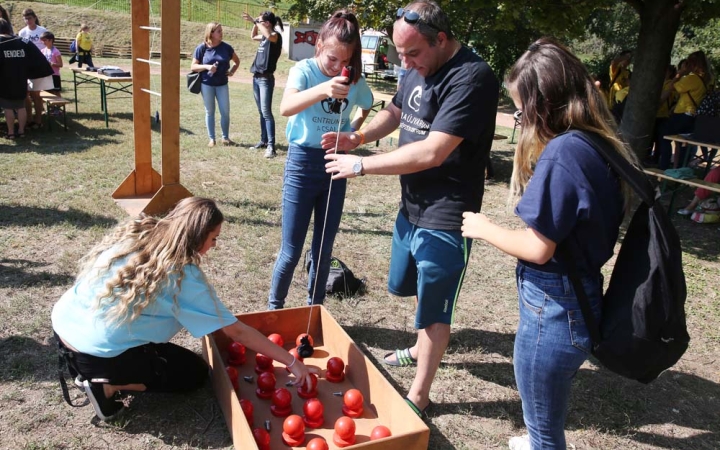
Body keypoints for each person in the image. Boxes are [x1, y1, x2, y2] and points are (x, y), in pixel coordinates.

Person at [460, 38, 639, 450]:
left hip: (554, 313)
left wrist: (484, 227)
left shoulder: (563, 153)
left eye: (521, 111)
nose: (520, 120)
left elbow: (539, 248)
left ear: (545, 103)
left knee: (543, 427)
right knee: (545, 410)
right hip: (580, 299)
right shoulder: (597, 142)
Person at [323, 0, 498, 418]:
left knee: (436, 303)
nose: (405, 62)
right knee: (411, 283)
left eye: (413, 54)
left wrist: (361, 165)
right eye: (400, 54)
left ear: (441, 39)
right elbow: (397, 111)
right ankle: (420, 346)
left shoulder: (472, 77)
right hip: (411, 204)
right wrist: (358, 138)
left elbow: (434, 152)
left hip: (448, 211)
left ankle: (420, 396)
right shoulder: (414, 64)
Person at [51, 197, 314, 422]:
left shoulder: (139, 233)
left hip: (64, 333)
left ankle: (93, 370)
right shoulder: (182, 276)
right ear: (198, 237)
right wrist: (292, 363)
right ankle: (106, 386)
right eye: (213, 238)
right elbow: (237, 332)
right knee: (194, 373)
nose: (214, 245)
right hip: (97, 354)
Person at [266, 9, 373, 310]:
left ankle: (314, 309)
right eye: (332, 59)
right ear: (319, 45)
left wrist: (352, 132)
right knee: (291, 250)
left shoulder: (354, 79)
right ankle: (275, 309)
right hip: (301, 164)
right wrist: (324, 88)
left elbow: (366, 104)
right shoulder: (304, 70)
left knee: (323, 250)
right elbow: (286, 107)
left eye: (346, 61)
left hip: (335, 165)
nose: (339, 67)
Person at [657, 50, 711, 169]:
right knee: (683, 143)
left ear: (692, 64)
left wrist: (680, 73)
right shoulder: (706, 79)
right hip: (692, 115)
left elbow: (673, 86)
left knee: (664, 135)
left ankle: (663, 167)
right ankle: (680, 168)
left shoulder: (692, 78)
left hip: (682, 114)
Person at [0, 18, 52, 139]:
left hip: (5, 81)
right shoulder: (23, 41)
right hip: (21, 79)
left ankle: (11, 132)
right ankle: (22, 131)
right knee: (20, 106)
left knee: (8, 107)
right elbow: (38, 58)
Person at [242, 11, 284, 158]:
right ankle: (264, 141)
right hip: (256, 77)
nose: (259, 23)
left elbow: (268, 35)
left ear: (267, 23)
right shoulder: (265, 37)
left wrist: (256, 21)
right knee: (261, 112)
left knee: (266, 112)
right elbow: (253, 36)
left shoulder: (275, 36)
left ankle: (271, 147)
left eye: (261, 21)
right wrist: (255, 23)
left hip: (266, 79)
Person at [191, 22, 240, 148]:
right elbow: (193, 66)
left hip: (222, 84)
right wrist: (207, 66)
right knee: (210, 112)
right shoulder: (202, 48)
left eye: (221, 30)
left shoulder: (227, 47)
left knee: (225, 112)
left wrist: (232, 71)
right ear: (211, 33)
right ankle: (212, 139)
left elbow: (236, 61)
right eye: (218, 31)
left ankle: (225, 138)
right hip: (206, 84)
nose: (221, 33)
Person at [18, 8, 47, 130]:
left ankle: (38, 120)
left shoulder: (42, 31)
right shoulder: (22, 33)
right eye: (25, 18)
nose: (28, 20)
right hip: (26, 66)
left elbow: (48, 46)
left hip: (39, 66)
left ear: (34, 18)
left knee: (37, 94)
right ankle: (29, 119)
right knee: (26, 94)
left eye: (29, 18)